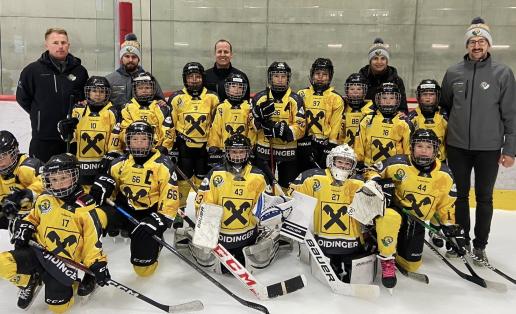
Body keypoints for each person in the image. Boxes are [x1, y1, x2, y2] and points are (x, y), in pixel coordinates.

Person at [440, 17, 516, 265]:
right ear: (467, 45)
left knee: (484, 198)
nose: (477, 45)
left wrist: (510, 149)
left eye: (481, 41)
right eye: (472, 41)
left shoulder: (503, 74)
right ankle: (461, 241)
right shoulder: (453, 73)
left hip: (489, 148)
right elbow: (446, 108)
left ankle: (480, 245)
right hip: (457, 147)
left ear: (488, 45)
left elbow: (510, 114)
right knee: (459, 196)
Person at [0, 153, 109, 312]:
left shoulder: (85, 207)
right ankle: (29, 279)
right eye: (54, 179)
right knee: (2, 263)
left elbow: (92, 243)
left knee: (58, 308)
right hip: (39, 252)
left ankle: (86, 277)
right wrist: (26, 225)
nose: (58, 184)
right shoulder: (44, 198)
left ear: (75, 176)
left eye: (63, 178)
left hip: (62, 263)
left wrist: (98, 264)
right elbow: (33, 218)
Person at [289, 144, 402, 289]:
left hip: (353, 247)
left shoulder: (359, 183)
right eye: (339, 162)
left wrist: (378, 189)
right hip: (321, 245)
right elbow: (292, 197)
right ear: (331, 161)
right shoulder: (313, 178)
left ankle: (386, 257)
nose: (343, 166)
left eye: (347, 163)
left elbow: (374, 211)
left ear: (353, 166)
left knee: (390, 215)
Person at [364, 129, 463, 278]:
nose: (424, 151)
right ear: (411, 147)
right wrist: (376, 180)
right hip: (396, 213)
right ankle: (386, 257)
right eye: (420, 146)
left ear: (436, 150)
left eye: (429, 147)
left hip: (418, 222)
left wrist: (449, 226)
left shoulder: (445, 175)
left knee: (411, 265)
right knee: (390, 217)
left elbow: (447, 204)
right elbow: (371, 170)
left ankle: (392, 246)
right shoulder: (397, 164)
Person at [89, 121, 179, 277]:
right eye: (134, 139)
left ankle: (155, 245)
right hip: (123, 211)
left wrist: (158, 221)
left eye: (143, 139)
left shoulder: (163, 165)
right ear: (128, 141)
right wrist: (100, 190)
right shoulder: (119, 163)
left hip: (148, 216)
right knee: (92, 219)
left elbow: (170, 201)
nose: (139, 143)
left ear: (151, 141)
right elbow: (107, 190)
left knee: (143, 270)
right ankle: (90, 263)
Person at [193, 134, 286, 273]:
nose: (237, 155)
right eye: (234, 151)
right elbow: (202, 204)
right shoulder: (215, 174)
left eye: (241, 151)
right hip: (221, 239)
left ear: (248, 152)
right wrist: (207, 232)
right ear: (227, 151)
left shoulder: (258, 176)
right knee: (222, 270)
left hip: (248, 239)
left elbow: (265, 207)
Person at [16, 28, 89, 162]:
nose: (60, 46)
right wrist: (40, 114)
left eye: (63, 42)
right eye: (55, 42)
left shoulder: (80, 71)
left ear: (68, 45)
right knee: (41, 179)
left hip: (73, 138)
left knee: (71, 178)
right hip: (43, 139)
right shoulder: (32, 71)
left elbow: (85, 101)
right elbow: (23, 98)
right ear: (47, 45)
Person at [168, 62, 220, 206]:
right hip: (183, 146)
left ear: (203, 78)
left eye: (198, 76)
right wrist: (170, 146)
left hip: (205, 147)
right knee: (183, 178)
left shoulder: (212, 97)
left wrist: (215, 145)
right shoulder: (176, 97)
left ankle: (199, 206)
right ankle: (183, 208)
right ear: (185, 79)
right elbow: (170, 124)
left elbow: (216, 124)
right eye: (191, 77)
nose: (194, 80)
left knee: (202, 177)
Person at [56, 76, 122, 187]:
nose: (98, 94)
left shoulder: (113, 112)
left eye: (102, 91)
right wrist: (65, 130)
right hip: (81, 166)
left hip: (104, 165)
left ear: (107, 93)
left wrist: (111, 157)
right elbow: (71, 139)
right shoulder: (79, 110)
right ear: (88, 92)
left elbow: (115, 139)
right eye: (94, 91)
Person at [251, 61, 306, 193]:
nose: (280, 79)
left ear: (288, 78)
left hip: (287, 152)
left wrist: (282, 130)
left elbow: (301, 127)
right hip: (264, 151)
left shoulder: (295, 99)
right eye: (276, 76)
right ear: (270, 78)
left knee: (287, 188)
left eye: (283, 76)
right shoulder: (259, 97)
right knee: (263, 186)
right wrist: (259, 121)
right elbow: (251, 124)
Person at [297, 58, 344, 172]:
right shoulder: (301, 94)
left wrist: (330, 147)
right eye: (317, 74)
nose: (320, 77)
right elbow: (297, 120)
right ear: (312, 75)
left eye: (325, 74)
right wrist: (303, 141)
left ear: (330, 77)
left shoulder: (335, 98)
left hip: (324, 146)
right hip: (303, 144)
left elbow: (336, 125)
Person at [354, 83, 412, 171]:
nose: (388, 101)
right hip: (369, 169)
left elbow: (408, 151)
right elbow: (359, 144)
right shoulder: (368, 119)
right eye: (384, 98)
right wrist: (358, 163)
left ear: (397, 100)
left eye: (392, 98)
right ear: (378, 99)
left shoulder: (404, 123)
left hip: (395, 170)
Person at [207, 73, 256, 167]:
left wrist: (251, 147)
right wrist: (214, 146)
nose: (236, 89)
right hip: (224, 151)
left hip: (243, 151)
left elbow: (251, 130)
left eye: (240, 87)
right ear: (227, 88)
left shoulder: (248, 108)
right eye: (233, 86)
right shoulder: (221, 107)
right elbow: (215, 128)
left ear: (244, 89)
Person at [106, 33, 165, 108]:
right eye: (127, 56)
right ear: (121, 58)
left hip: (144, 118)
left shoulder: (148, 79)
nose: (130, 60)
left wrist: (161, 102)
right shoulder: (110, 80)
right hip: (118, 119)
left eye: (134, 57)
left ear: (138, 59)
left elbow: (160, 100)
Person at [120, 72, 174, 154]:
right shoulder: (127, 108)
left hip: (156, 150)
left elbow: (168, 130)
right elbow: (124, 130)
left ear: (153, 89)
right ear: (135, 89)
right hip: (133, 150)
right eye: (140, 88)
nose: (144, 90)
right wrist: (133, 145)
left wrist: (164, 147)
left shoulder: (162, 108)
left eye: (147, 87)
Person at [0, 131, 43, 229]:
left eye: (3, 156)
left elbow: (48, 183)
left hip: (37, 219)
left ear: (14, 152)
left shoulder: (28, 167)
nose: (0, 161)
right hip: (13, 222)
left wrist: (25, 194)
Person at [358, 38, 407, 113]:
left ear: (387, 61)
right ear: (370, 61)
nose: (379, 62)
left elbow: (403, 109)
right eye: (375, 58)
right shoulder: (361, 79)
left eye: (383, 58)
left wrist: (401, 114)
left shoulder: (396, 80)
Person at [408, 79, 447, 162]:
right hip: (416, 163)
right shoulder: (410, 119)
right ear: (419, 97)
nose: (428, 98)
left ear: (437, 96)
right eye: (424, 94)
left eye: (432, 94)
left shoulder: (446, 117)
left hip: (440, 164)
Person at [338, 73, 375, 147]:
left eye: (359, 89)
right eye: (352, 89)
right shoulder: (341, 107)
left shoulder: (373, 109)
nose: (355, 91)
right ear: (347, 90)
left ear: (364, 91)